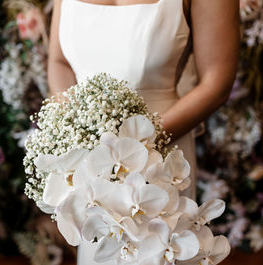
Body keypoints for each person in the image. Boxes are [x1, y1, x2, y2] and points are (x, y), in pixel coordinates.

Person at [47, 0, 239, 264]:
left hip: (161, 151)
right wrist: (75, 135)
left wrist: (135, 151)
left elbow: (216, 83)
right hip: (89, 164)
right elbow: (59, 62)